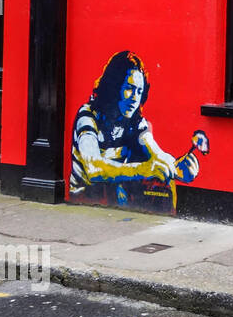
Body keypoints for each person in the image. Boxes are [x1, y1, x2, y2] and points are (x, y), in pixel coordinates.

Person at [69, 50, 197, 207]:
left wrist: (175, 167)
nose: (134, 98)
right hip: (84, 201)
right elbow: (94, 169)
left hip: (115, 201)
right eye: (129, 88)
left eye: (139, 91)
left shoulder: (134, 121)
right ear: (114, 87)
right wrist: (145, 169)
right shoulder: (88, 116)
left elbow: (156, 152)